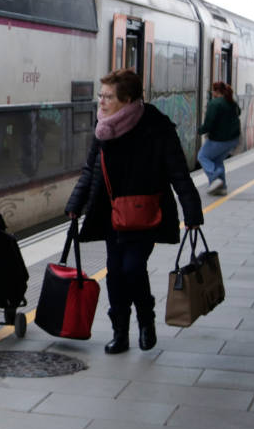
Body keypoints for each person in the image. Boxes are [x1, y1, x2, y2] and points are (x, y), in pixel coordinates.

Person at [65, 69, 203, 355]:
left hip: (145, 214)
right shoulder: (104, 128)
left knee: (132, 267)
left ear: (127, 101)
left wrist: (192, 213)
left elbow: (179, 174)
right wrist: (75, 204)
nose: (101, 102)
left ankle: (145, 320)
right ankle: (120, 333)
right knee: (115, 272)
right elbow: (91, 169)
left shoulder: (157, 127)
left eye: (107, 97)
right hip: (110, 213)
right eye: (100, 96)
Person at [197, 82, 242, 196]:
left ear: (217, 91)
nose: (212, 93)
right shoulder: (231, 101)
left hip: (219, 139)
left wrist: (200, 130)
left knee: (202, 156)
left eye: (213, 91)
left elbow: (209, 122)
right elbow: (239, 112)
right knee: (217, 160)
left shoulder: (215, 103)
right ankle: (221, 188)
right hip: (233, 139)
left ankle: (215, 177)